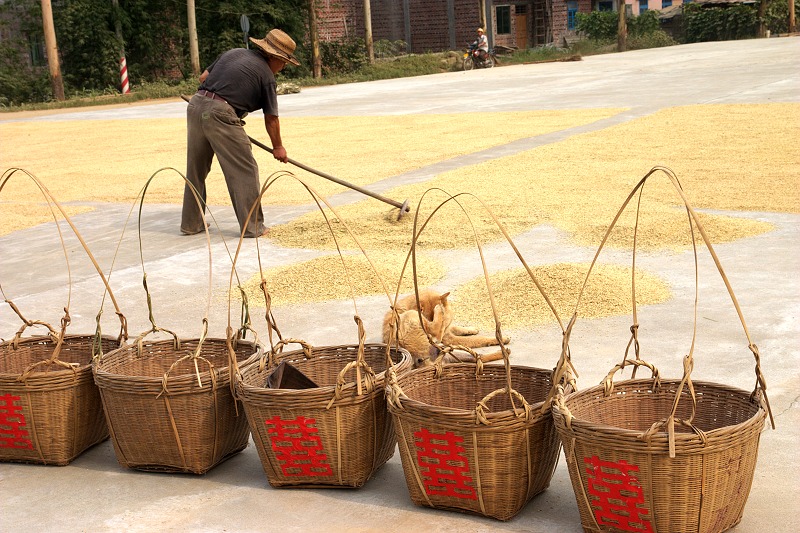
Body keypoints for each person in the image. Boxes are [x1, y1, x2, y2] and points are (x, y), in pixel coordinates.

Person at [181, 29, 300, 238]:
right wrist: (278, 147)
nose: (283, 68)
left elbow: (203, 77)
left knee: (196, 170)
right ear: (274, 57)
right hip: (220, 112)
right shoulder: (266, 75)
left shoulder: (234, 53)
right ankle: (253, 226)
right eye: (284, 62)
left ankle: (192, 223)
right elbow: (271, 118)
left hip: (196, 104)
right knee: (244, 169)